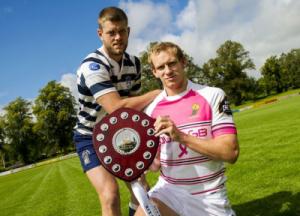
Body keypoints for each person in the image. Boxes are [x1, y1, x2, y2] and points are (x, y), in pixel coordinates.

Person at [73, 7, 160, 216]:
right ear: (100, 34)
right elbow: (115, 106)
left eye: (122, 31)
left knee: (141, 191)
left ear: (128, 31)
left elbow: (135, 110)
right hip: (90, 136)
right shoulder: (92, 65)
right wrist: (158, 92)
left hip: (119, 135)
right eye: (112, 32)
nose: (118, 37)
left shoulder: (134, 63)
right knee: (110, 195)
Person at [135, 42, 239, 216]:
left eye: (172, 63)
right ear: (154, 72)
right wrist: (137, 164)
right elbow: (156, 164)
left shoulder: (213, 95)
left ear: (183, 62)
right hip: (169, 191)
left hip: (209, 196)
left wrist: (181, 136)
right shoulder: (151, 110)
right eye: (161, 67)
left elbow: (231, 153)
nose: (167, 71)